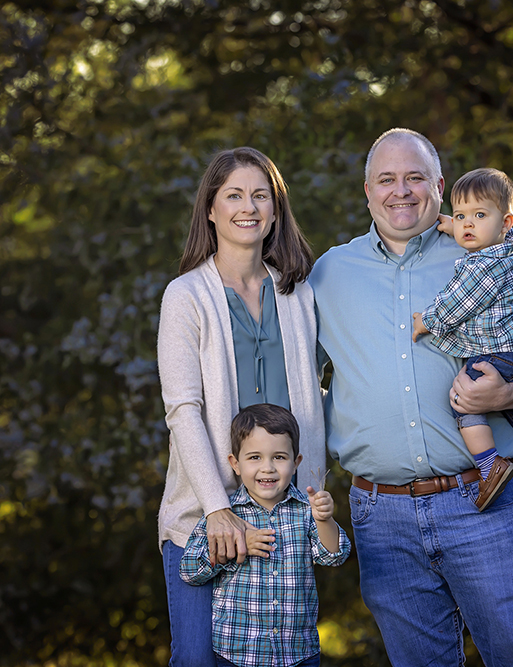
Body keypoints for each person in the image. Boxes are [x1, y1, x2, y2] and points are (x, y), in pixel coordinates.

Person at [309, 128, 513, 666]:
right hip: (379, 514)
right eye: (387, 179)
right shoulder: (329, 274)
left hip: (484, 500)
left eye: (415, 178)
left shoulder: (492, 260)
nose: (401, 191)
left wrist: (505, 391)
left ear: (439, 186)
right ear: (367, 191)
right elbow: (296, 378)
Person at [157, 147, 326, 666]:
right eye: (234, 195)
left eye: (260, 195)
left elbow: (323, 389)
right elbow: (183, 409)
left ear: (276, 210)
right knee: (198, 660)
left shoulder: (299, 293)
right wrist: (218, 511)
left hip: (285, 517)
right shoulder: (186, 295)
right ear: (210, 209)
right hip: (203, 522)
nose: (248, 206)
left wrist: (318, 488)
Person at [411, 167, 513, 511]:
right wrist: (462, 226)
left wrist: (427, 321)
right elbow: (481, 232)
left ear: (506, 222)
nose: (467, 224)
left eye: (479, 216)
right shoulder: (508, 250)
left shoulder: (480, 268)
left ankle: (490, 466)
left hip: (502, 352)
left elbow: (458, 305)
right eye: (460, 216)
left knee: (463, 399)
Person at [180, 404, 350, 667]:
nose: (268, 468)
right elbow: (189, 570)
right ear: (235, 464)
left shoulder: (306, 511)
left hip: (297, 653)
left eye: (279, 457)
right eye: (255, 457)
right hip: (237, 654)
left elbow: (333, 557)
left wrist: (325, 519)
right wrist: (237, 546)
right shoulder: (225, 516)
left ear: (296, 463)